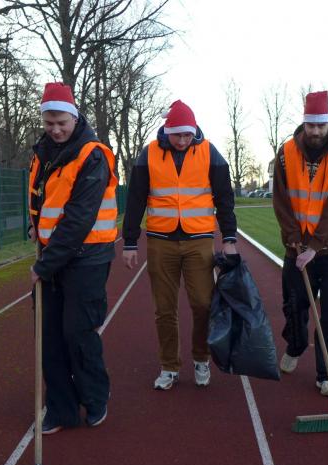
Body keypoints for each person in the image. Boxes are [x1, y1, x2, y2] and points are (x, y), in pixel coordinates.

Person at [122, 100, 237, 390]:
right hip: (161, 241)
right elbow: (135, 199)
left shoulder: (209, 152)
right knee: (164, 308)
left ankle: (201, 359)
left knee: (203, 304)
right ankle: (169, 366)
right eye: (177, 135)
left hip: (199, 240)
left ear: (194, 131)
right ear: (167, 130)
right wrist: (130, 242)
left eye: (188, 134)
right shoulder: (148, 153)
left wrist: (230, 238)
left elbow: (224, 198)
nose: (183, 140)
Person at [28, 82, 118, 433]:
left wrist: (43, 265)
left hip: (86, 257)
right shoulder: (41, 153)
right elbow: (40, 196)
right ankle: (60, 407)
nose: (55, 130)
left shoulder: (93, 155)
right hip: (52, 255)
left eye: (61, 123)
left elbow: (79, 219)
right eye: (49, 123)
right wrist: (33, 224)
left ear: (75, 117)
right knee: (49, 336)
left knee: (77, 333)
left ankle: (94, 397)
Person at [272, 90, 328, 397]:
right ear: (304, 124)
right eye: (311, 125)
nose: (316, 131)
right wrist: (296, 241)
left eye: (321, 125)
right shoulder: (285, 153)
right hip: (296, 248)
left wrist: (315, 247)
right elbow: (281, 201)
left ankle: (327, 375)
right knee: (294, 307)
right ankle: (295, 346)